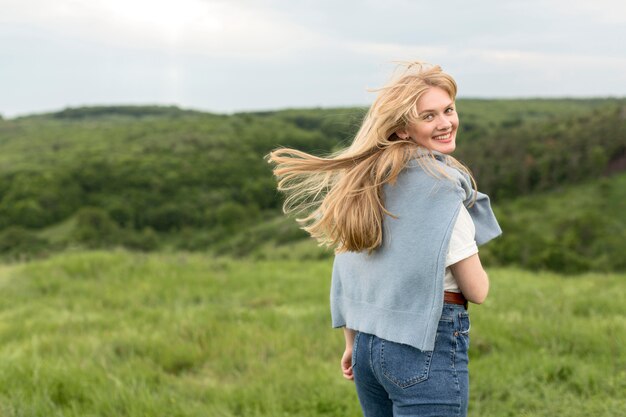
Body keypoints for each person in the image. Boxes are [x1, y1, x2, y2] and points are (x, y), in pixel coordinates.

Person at [268, 61, 501, 417]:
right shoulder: (440, 188)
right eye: (429, 116)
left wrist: (351, 342)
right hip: (425, 348)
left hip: (366, 347)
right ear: (403, 129)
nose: (445, 122)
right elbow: (477, 290)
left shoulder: (367, 184)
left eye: (448, 109)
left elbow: (347, 266)